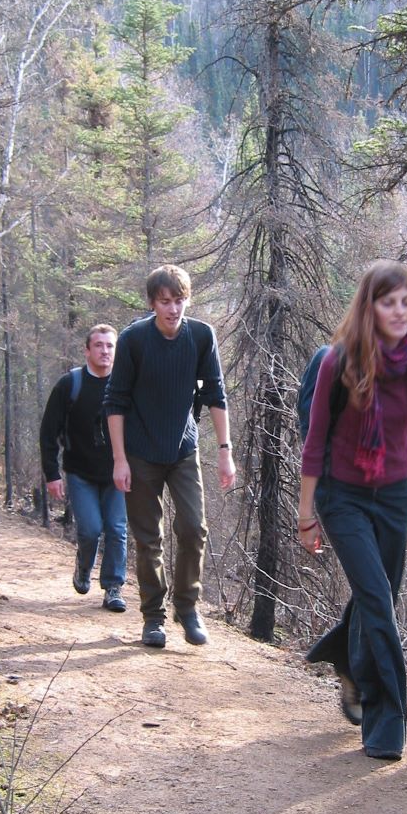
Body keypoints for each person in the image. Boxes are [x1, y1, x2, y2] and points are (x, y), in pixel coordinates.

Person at [299, 260, 407, 762]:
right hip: (344, 497)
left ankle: (347, 657)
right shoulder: (340, 362)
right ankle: (389, 719)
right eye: (388, 302)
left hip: (394, 495)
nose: (399, 312)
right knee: (378, 599)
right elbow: (314, 442)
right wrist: (306, 513)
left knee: (377, 597)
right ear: (370, 306)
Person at [104, 264, 236, 649]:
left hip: (183, 449)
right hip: (140, 451)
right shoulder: (134, 340)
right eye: (165, 301)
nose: (173, 308)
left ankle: (188, 608)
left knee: (194, 528)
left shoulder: (200, 336)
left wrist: (225, 452)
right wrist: (119, 459)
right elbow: (115, 401)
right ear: (152, 303)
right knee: (149, 539)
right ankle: (152, 618)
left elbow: (215, 394)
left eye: (179, 300)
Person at [40, 325, 128, 613]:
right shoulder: (70, 385)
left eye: (110, 346)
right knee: (90, 530)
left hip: (117, 472)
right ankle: (83, 567)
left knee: (116, 529)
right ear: (87, 350)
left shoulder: (125, 384)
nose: (105, 351)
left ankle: (113, 587)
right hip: (80, 473)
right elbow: (48, 431)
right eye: (99, 345)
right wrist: (52, 474)